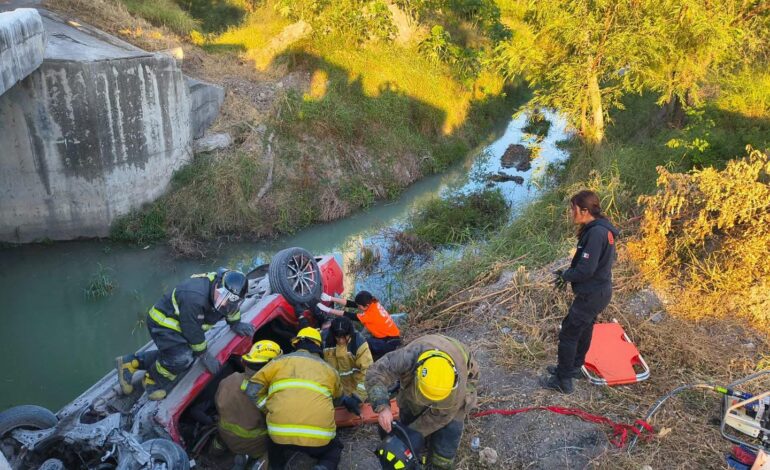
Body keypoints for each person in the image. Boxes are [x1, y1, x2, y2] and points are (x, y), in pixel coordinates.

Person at [116, 269, 256, 401]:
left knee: (174, 354)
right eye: (223, 298)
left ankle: (130, 362)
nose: (225, 302)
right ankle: (152, 380)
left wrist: (235, 323)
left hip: (183, 321)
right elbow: (192, 331)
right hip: (164, 323)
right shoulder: (194, 298)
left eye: (230, 301)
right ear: (218, 286)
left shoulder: (222, 290)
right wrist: (204, 355)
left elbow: (231, 307)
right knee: (181, 359)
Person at [541, 190, 619, 394]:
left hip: (592, 295)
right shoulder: (602, 229)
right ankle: (574, 367)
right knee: (584, 328)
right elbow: (608, 260)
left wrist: (566, 276)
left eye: (573, 209)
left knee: (569, 333)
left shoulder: (596, 233)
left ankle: (562, 380)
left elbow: (586, 269)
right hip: (600, 291)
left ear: (584, 211)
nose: (570, 213)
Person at [365, 334, 479, 469]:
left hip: (461, 370)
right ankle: (417, 444)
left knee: (450, 429)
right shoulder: (408, 357)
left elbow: (440, 417)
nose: (429, 401)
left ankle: (440, 464)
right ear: (418, 372)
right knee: (409, 406)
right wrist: (382, 406)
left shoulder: (456, 389)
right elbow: (375, 373)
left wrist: (412, 434)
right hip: (430, 352)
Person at [242, 328, 343, 470]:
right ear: (319, 346)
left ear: (296, 343)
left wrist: (269, 408)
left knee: (273, 447)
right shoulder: (329, 370)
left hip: (279, 434)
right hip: (319, 438)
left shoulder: (277, 362)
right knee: (334, 450)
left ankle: (277, 467)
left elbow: (251, 390)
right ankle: (323, 466)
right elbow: (337, 400)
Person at [213, 340, 282, 466]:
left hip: (224, 434)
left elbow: (218, 403)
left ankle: (215, 452)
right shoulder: (268, 395)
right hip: (253, 445)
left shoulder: (230, 379)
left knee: (219, 443)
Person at [316, 290, 401, 359]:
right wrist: (330, 298)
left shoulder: (370, 315)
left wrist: (328, 310)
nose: (358, 308)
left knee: (361, 342)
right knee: (362, 338)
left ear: (366, 305)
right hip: (389, 336)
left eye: (359, 306)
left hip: (389, 343)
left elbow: (349, 315)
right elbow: (352, 304)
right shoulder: (373, 303)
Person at [322, 316, 373, 416]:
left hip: (357, 391)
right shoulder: (324, 342)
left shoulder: (359, 343)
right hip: (336, 395)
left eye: (344, 337)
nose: (341, 341)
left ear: (350, 333)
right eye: (338, 337)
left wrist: (357, 398)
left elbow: (368, 372)